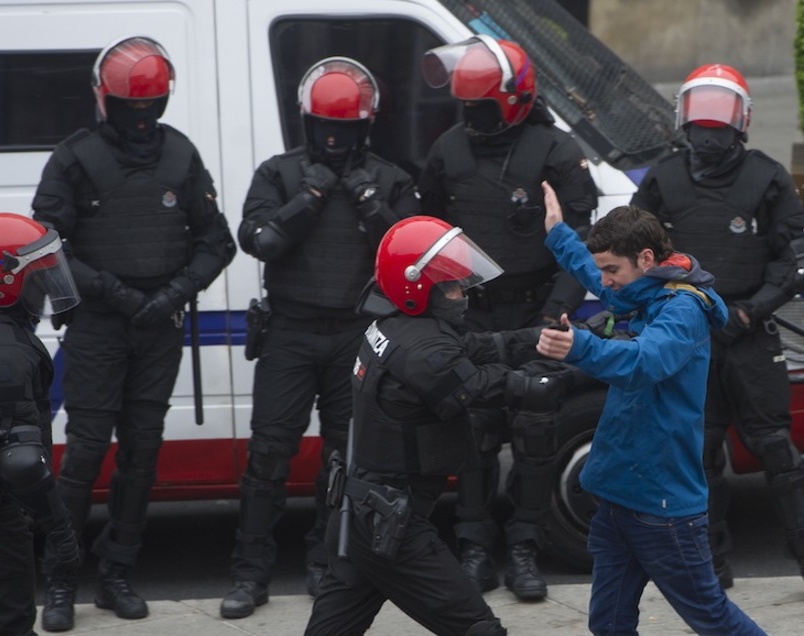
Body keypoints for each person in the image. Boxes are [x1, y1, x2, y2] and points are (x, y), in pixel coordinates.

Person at [31, 36, 236, 631]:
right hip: (99, 325)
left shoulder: (181, 154)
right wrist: (115, 293)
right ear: (106, 100)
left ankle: (117, 572)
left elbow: (216, 241)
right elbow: (45, 245)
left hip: (159, 326)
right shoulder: (74, 158)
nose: (141, 117)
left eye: (150, 105)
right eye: (131, 106)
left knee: (143, 454)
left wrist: (172, 294)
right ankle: (62, 580)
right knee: (84, 453)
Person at [629, 63, 804, 607]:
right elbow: (636, 256)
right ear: (683, 120)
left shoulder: (766, 178)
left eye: (718, 120)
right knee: (700, 453)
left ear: (741, 121)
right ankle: (710, 562)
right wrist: (672, 308)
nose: (708, 132)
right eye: (699, 119)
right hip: (689, 337)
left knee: (777, 450)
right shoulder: (662, 178)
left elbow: (798, 264)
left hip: (748, 333)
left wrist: (749, 311)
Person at [305, 215, 574, 636]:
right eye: (451, 287)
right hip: (392, 526)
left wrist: (542, 337)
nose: (462, 295)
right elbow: (489, 387)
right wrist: (568, 370)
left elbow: (480, 346)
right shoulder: (425, 352)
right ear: (416, 288)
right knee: (478, 629)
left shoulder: (396, 326)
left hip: (361, 513)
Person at [224, 56, 419, 619]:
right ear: (308, 123)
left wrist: (370, 204)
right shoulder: (278, 173)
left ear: (365, 126)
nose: (334, 139)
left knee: (345, 457)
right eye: (325, 128)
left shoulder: (389, 178)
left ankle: (326, 562)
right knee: (268, 454)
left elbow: (410, 254)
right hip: (289, 331)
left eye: (345, 129)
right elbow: (259, 240)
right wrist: (307, 199)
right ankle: (250, 573)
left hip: (355, 334)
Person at [536, 184, 767, 635]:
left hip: (662, 510)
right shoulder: (643, 289)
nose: (604, 283)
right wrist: (559, 233)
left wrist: (579, 346)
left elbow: (644, 362)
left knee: (713, 618)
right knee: (609, 623)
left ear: (645, 259)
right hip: (618, 498)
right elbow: (597, 275)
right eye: (603, 270)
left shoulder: (682, 310)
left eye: (612, 270)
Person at [416, 34, 598, 600]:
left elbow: (582, 243)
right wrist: (443, 310)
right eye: (467, 105)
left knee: (535, 431)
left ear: (515, 101)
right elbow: (429, 235)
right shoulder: (448, 149)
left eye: (484, 106)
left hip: (537, 311)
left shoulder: (557, 152)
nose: (473, 116)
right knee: (472, 433)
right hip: (470, 315)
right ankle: (474, 548)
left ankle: (524, 549)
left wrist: (555, 313)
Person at [0, 213, 81, 636]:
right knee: (6, 626)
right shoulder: (3, 356)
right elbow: (22, 462)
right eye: (36, 278)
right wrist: (60, 530)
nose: (44, 289)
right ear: (0, 282)